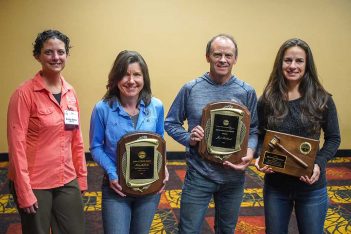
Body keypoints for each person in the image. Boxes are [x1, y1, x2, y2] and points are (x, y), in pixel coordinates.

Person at [165, 34, 258, 233]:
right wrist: (188, 138)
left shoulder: (247, 92)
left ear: (235, 59)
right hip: (199, 174)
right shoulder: (191, 89)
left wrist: (250, 151)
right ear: (208, 56)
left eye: (228, 55)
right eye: (217, 54)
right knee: (188, 230)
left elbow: (254, 130)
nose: (222, 60)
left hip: (233, 176)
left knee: (226, 230)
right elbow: (171, 123)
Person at [255, 38, 341, 234]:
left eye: (299, 61)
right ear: (280, 63)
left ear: (307, 65)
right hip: (276, 186)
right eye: (288, 60)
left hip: (311, 185)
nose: (293, 66)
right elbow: (259, 134)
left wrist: (319, 162)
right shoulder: (268, 99)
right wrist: (260, 155)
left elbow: (333, 138)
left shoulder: (322, 99)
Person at [7, 29, 87, 234]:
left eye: (60, 52)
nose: (56, 57)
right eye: (49, 52)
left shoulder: (70, 92)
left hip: (67, 177)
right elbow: (16, 146)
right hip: (35, 181)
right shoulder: (24, 94)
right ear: (38, 56)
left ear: (67, 55)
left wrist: (81, 177)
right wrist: (24, 191)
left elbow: (76, 139)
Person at [89, 50, 168, 234]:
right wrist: (112, 173)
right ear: (116, 78)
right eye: (125, 74)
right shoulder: (102, 109)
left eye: (137, 74)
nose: (131, 80)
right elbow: (96, 147)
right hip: (117, 188)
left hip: (149, 186)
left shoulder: (156, 106)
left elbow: (159, 141)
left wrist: (162, 167)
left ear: (144, 78)